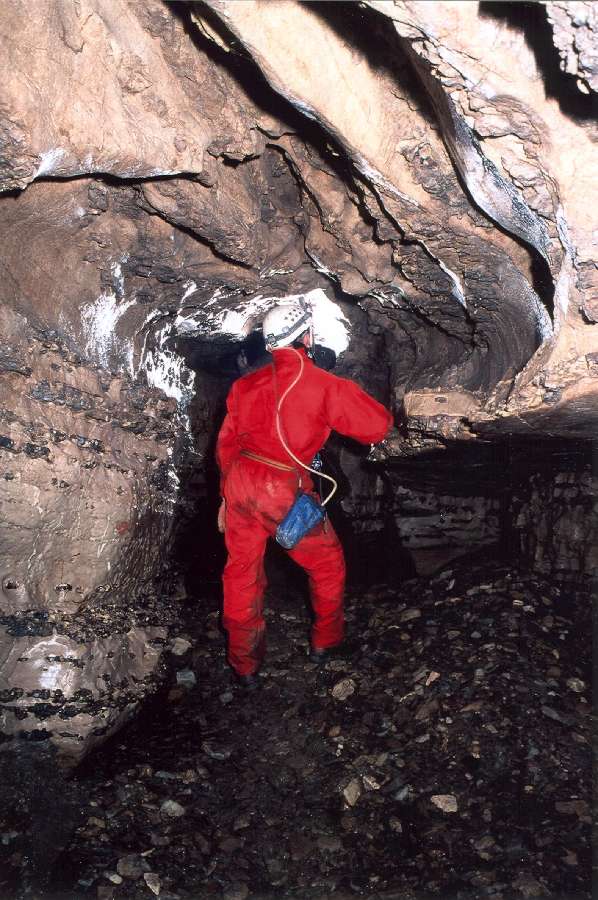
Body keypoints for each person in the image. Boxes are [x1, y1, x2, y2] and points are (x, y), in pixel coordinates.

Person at [215, 297, 394, 689]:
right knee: (326, 565)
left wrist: (227, 497)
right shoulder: (322, 384)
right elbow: (376, 427)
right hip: (281, 486)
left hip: (240, 482)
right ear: (307, 336)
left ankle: (244, 665)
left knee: (241, 574)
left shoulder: (243, 386)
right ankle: (326, 642)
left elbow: (226, 443)